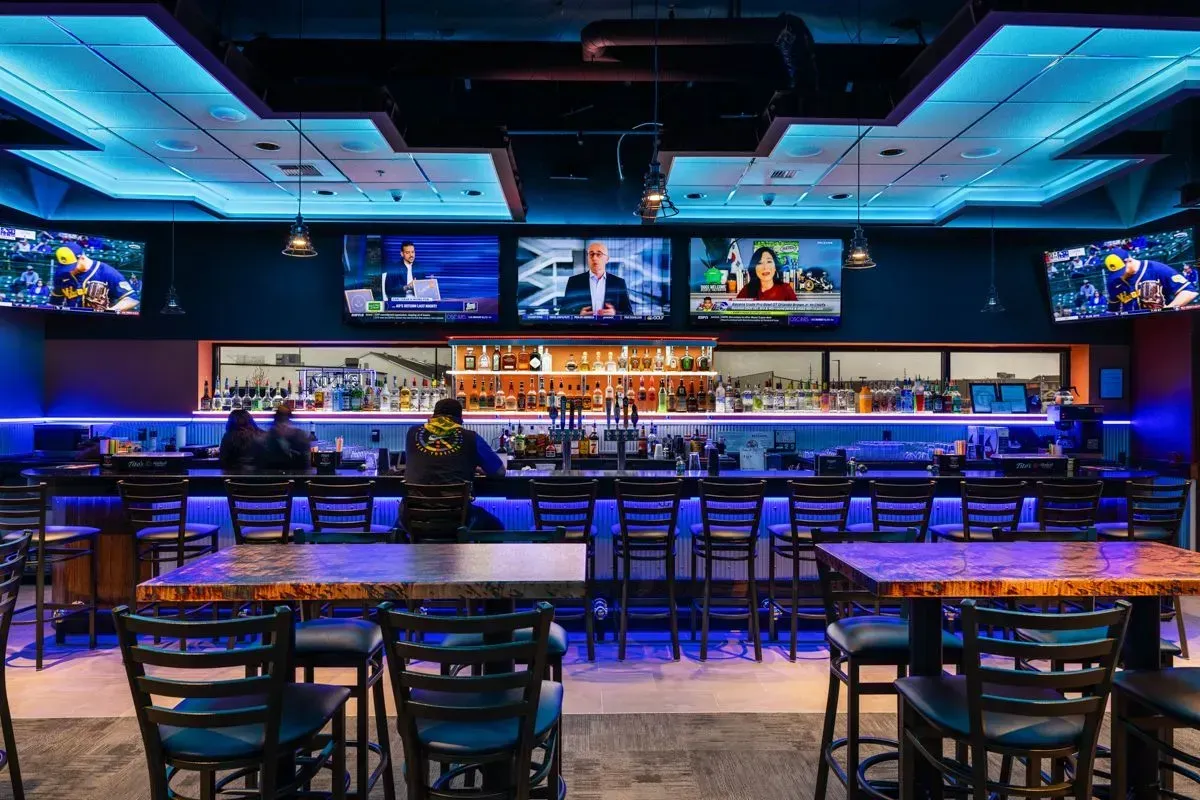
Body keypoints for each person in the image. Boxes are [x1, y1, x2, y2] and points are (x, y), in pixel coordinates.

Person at [402, 398, 505, 530]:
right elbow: (499, 472)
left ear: (433, 416)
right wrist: (475, 467)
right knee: (497, 527)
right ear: (459, 419)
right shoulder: (470, 437)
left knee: (397, 528)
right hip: (456, 518)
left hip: (413, 516)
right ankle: (471, 549)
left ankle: (408, 547)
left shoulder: (412, 433)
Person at [48, 241, 139, 312]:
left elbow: (132, 299)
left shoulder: (107, 272)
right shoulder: (62, 274)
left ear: (82, 258)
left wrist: (110, 311)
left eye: (72, 266)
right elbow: (54, 303)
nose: (69, 270)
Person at [1103, 247, 1199, 313]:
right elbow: (1112, 310)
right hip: (1132, 327)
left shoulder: (1156, 269)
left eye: (1122, 271)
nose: (1121, 275)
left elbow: (1189, 292)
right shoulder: (1114, 281)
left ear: (1129, 260)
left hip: (1163, 323)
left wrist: (1166, 310)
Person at [560, 240, 633, 317]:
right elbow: (562, 313)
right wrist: (579, 315)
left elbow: (630, 314)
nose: (594, 258)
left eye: (599, 254)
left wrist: (615, 314)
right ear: (587, 258)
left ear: (607, 259)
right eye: (591, 254)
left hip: (610, 328)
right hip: (582, 328)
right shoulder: (574, 282)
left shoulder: (619, 283)